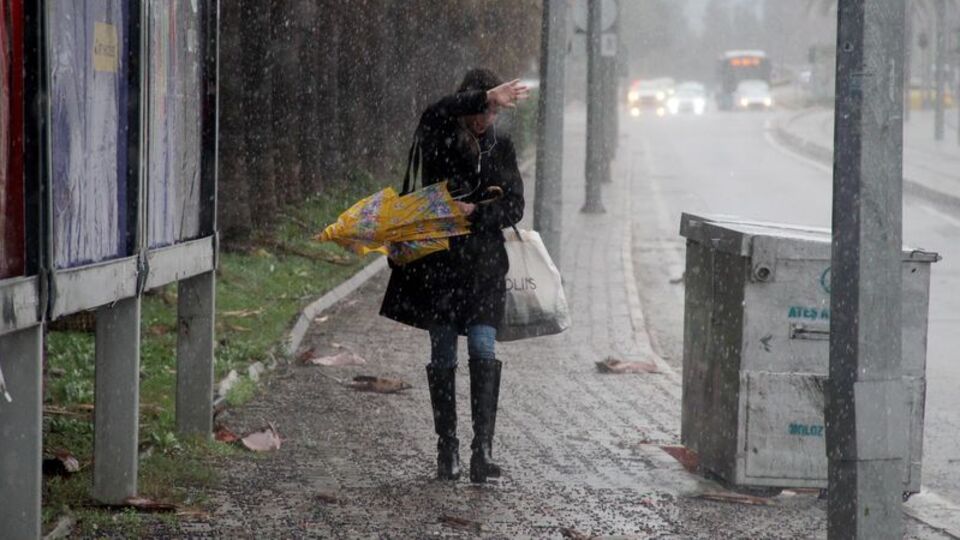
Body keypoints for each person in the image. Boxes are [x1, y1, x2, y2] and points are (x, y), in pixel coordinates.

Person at [379, 69, 529, 483]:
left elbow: (515, 206)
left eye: (494, 110)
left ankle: (483, 450)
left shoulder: (502, 147)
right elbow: (435, 109)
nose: (486, 118)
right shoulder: (440, 135)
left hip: (483, 268)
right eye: (481, 109)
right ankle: (448, 448)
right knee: (443, 353)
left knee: (483, 348)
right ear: (468, 105)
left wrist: (478, 213)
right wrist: (484, 95)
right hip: (439, 268)